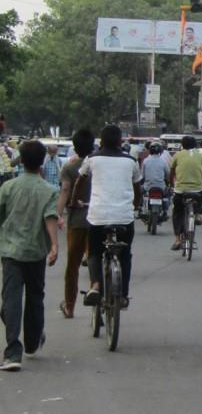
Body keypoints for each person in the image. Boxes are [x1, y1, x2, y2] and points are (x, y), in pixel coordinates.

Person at [0, 140, 59, 371]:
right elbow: (50, 218)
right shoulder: (49, 190)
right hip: (36, 252)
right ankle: (33, 342)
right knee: (35, 297)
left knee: (11, 300)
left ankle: (13, 352)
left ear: (21, 160)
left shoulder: (8, 187)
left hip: (11, 252)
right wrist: (54, 246)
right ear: (42, 160)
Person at [75, 125, 141, 308]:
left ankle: (95, 285)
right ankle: (123, 295)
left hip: (98, 217)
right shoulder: (131, 161)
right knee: (125, 254)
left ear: (101, 141)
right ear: (120, 141)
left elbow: (79, 183)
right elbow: (138, 189)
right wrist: (134, 206)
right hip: (124, 219)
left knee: (94, 251)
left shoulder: (92, 159)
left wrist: (74, 201)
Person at [55, 129, 94, 319]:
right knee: (97, 260)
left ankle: (69, 306)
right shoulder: (99, 163)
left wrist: (57, 215)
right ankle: (100, 293)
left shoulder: (69, 167)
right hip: (98, 220)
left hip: (77, 221)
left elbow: (65, 190)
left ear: (75, 148)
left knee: (73, 266)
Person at [169, 135, 202, 251]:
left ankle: (177, 239)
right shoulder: (200, 156)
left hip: (180, 190)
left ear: (182, 145)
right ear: (195, 145)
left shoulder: (177, 155)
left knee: (177, 213)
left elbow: (171, 173)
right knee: (200, 197)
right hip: (197, 190)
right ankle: (197, 213)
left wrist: (172, 184)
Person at [141, 143, 170, 220]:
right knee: (167, 195)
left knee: (140, 192)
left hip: (148, 187)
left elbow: (142, 175)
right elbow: (168, 174)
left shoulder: (145, 161)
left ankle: (140, 208)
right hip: (161, 186)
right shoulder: (163, 161)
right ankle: (165, 210)